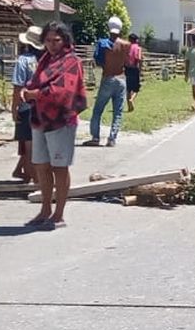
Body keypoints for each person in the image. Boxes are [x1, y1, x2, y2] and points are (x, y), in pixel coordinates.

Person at [21, 21, 86, 228]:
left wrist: (35, 94)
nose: (52, 44)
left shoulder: (72, 61)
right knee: (41, 166)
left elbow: (63, 93)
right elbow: (37, 83)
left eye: (56, 40)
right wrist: (27, 92)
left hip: (62, 121)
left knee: (59, 167)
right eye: (48, 40)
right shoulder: (45, 60)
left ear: (65, 40)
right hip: (40, 119)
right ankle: (45, 209)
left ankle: (59, 214)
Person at [85, 16, 129, 147]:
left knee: (98, 110)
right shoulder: (126, 45)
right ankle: (112, 138)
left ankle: (95, 137)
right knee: (118, 111)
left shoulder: (103, 43)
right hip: (121, 79)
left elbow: (98, 61)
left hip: (108, 77)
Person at [10, 25, 42, 183]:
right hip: (43, 107)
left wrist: (14, 108)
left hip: (26, 107)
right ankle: (38, 179)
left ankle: (36, 181)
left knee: (28, 147)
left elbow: (18, 87)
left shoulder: (23, 60)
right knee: (38, 146)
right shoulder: (45, 61)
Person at [125, 33, 143, 113]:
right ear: (136, 40)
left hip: (127, 69)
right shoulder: (138, 48)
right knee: (136, 88)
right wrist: (140, 68)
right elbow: (138, 58)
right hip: (134, 68)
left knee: (128, 88)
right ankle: (132, 99)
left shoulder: (126, 48)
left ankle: (129, 107)